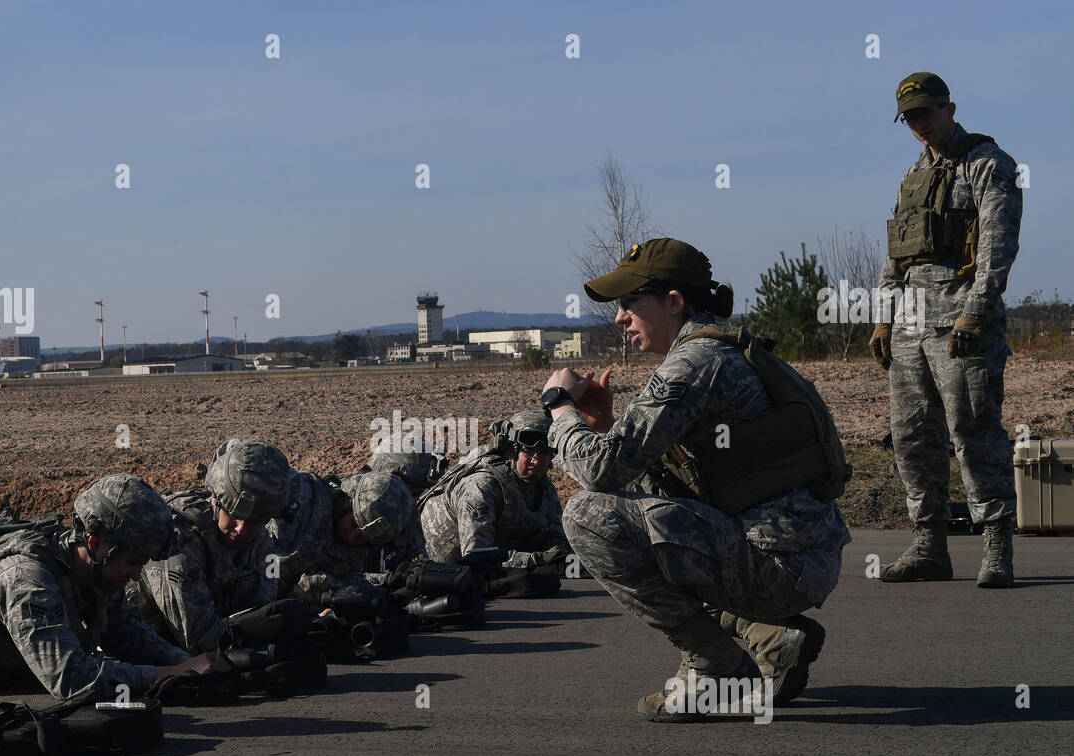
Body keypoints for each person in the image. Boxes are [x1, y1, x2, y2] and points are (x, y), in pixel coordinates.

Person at [542, 237, 850, 721]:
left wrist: (558, 408)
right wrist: (600, 427)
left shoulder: (694, 363)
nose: (621, 317)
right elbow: (646, 479)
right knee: (626, 510)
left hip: (779, 566)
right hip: (794, 558)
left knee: (586, 517)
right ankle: (769, 634)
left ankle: (717, 666)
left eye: (629, 302)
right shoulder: (720, 351)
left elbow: (601, 472)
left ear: (673, 302)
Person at [871, 71, 1023, 587]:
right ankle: (929, 545)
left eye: (927, 113)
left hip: (961, 320)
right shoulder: (914, 176)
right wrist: (883, 319)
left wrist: (975, 312)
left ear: (950, 108)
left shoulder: (988, 164)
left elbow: (997, 247)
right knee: (913, 436)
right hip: (913, 324)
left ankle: (997, 543)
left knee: (973, 430)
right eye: (911, 118)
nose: (921, 125)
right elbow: (897, 253)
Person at [0, 473, 210, 700]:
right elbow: (70, 679)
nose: (136, 576)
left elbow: (127, 634)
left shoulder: (98, 573)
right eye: (132, 562)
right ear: (95, 542)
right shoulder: (27, 580)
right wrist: (164, 674)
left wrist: (187, 664)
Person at [129, 438, 290, 657]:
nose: (241, 529)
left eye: (255, 521)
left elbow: (263, 613)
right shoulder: (178, 542)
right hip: (152, 656)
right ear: (215, 500)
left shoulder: (261, 541)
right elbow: (199, 641)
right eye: (234, 515)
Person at [418, 410, 571, 581]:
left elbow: (556, 546)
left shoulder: (544, 488)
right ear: (510, 453)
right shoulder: (481, 487)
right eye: (528, 451)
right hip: (441, 576)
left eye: (543, 454)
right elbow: (477, 560)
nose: (536, 461)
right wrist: (535, 560)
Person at [268, 469, 413, 606]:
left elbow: (347, 583)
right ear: (348, 500)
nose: (353, 536)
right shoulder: (303, 495)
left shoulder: (363, 553)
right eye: (354, 524)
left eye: (364, 536)